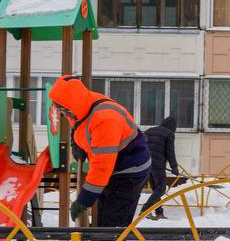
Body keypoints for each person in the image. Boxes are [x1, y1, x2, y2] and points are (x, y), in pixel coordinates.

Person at [48, 76, 151, 227]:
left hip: (129, 170)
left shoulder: (105, 119)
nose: (63, 115)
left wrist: (84, 200)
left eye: (63, 111)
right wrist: (76, 143)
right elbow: (78, 125)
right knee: (102, 220)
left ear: (71, 106)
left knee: (112, 224)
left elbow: (101, 167)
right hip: (113, 167)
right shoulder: (81, 105)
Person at [140, 115, 179, 219]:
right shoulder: (169, 133)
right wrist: (174, 167)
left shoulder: (149, 131)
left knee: (156, 189)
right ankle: (145, 210)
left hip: (146, 162)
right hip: (157, 164)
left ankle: (159, 212)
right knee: (161, 189)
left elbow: (141, 145)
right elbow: (170, 152)